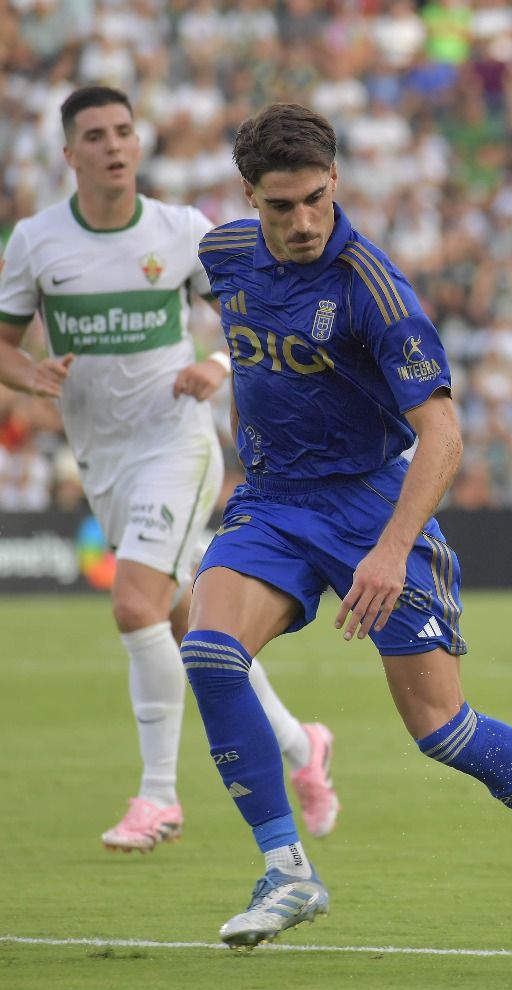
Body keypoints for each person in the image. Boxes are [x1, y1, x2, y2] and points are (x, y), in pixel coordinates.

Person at [183, 102, 512, 949]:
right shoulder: (222, 255)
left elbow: (445, 435)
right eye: (282, 206)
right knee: (208, 653)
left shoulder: (373, 289)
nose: (305, 220)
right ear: (250, 197)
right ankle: (287, 872)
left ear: (337, 180)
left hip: (371, 509)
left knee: (441, 731)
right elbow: (231, 332)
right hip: (273, 503)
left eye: (317, 197)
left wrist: (387, 553)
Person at [0, 86, 339, 854]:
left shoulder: (182, 231)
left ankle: (158, 798)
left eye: (124, 130)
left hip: (175, 445)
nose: (114, 145)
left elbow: (259, 311)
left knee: (133, 605)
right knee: (198, 632)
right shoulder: (36, 242)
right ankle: (301, 746)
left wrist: (216, 362)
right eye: (96, 135)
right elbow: (5, 345)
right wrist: (31, 377)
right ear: (69, 154)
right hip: (102, 457)